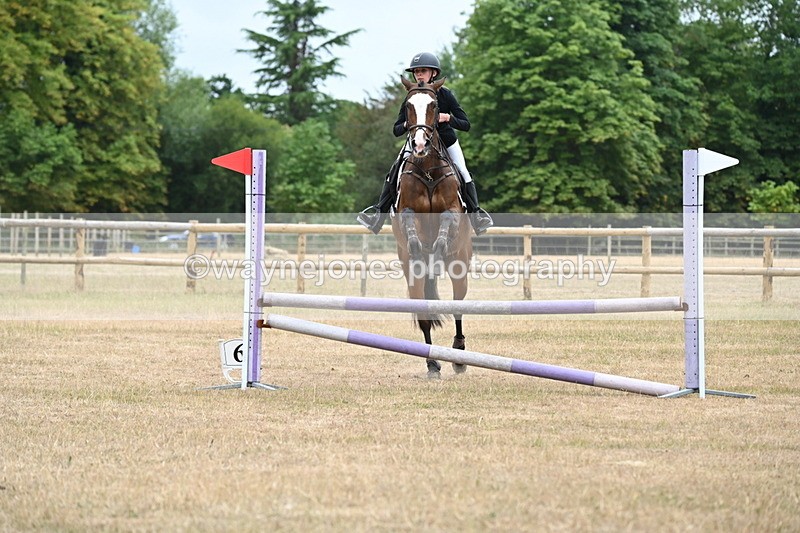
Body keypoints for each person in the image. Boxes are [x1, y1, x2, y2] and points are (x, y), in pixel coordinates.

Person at [356, 52, 493, 235]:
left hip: (446, 141)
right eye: (417, 71)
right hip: (416, 142)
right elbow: (396, 129)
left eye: (423, 71)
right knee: (394, 172)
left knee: (463, 172)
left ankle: (476, 216)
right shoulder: (411, 97)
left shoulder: (445, 95)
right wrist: (407, 123)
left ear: (433, 73)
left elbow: (465, 124)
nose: (419, 75)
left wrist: (448, 118)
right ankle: (378, 216)